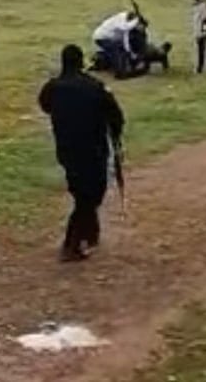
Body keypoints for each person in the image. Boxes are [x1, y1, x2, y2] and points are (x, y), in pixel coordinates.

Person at [38, 44, 126, 262]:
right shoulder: (95, 87)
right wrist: (115, 138)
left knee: (81, 191)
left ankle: (89, 232)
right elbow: (116, 117)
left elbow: (45, 105)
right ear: (81, 62)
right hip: (93, 149)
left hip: (67, 150)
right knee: (92, 193)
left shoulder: (52, 88)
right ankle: (72, 243)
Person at [92, 10, 142, 77]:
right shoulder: (119, 19)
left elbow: (125, 40)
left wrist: (129, 52)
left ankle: (109, 62)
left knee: (120, 48)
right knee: (115, 50)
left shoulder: (126, 25)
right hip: (101, 38)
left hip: (109, 38)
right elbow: (124, 27)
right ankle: (119, 71)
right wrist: (136, 20)